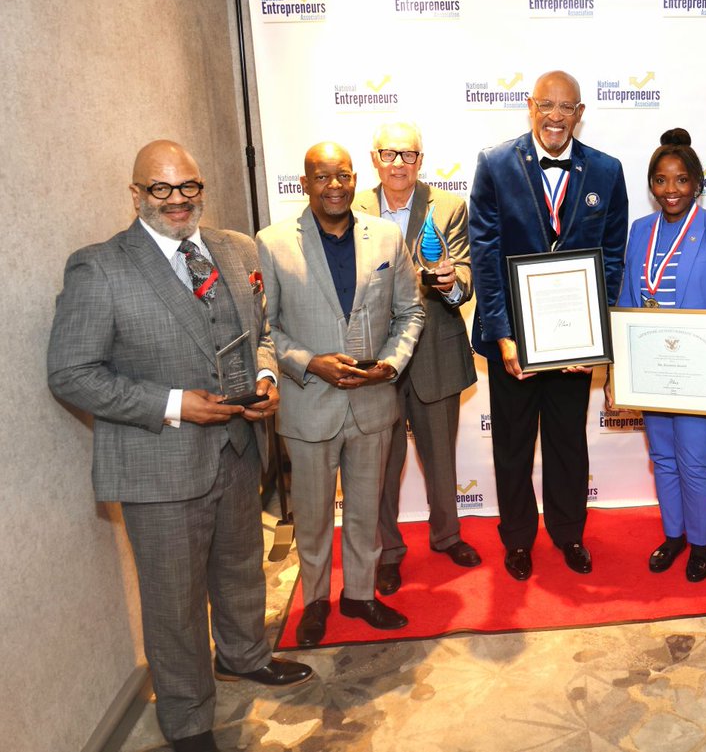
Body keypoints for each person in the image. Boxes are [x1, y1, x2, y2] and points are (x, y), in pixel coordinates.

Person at [48, 140, 311, 752]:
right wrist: (173, 404)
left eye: (188, 186)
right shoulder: (100, 267)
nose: (177, 200)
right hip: (158, 466)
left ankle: (244, 656)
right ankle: (189, 720)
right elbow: (71, 373)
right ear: (136, 193)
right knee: (175, 604)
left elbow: (262, 332)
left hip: (237, 448)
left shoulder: (236, 249)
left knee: (241, 568)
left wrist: (266, 376)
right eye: (161, 188)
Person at [256, 141, 424, 647]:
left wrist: (390, 364)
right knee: (311, 517)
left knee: (366, 511)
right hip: (309, 402)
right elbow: (265, 327)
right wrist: (310, 362)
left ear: (355, 178)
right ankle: (315, 602)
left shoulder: (387, 237)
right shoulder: (273, 242)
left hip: (373, 403)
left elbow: (410, 312)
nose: (334, 186)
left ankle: (360, 594)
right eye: (322, 176)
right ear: (304, 183)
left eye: (343, 176)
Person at [468, 69, 629, 581]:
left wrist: (594, 336)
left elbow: (613, 258)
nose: (556, 116)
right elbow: (485, 255)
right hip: (515, 343)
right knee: (513, 444)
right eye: (546, 105)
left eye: (566, 107)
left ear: (579, 113)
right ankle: (518, 539)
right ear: (530, 106)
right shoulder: (495, 164)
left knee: (567, 442)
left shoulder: (606, 171)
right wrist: (503, 335)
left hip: (573, 342)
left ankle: (569, 533)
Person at [607, 128, 706, 582]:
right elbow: (627, 302)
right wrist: (616, 372)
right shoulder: (640, 231)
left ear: (697, 184)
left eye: (681, 179)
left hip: (701, 376)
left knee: (696, 462)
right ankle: (674, 536)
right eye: (661, 180)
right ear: (651, 185)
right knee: (664, 459)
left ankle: (701, 544)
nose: (671, 189)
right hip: (651, 372)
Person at [351, 120, 481, 595]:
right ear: (375, 159)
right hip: (376, 357)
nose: (398, 163)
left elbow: (464, 274)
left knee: (441, 458)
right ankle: (388, 552)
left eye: (408, 155)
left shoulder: (448, 206)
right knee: (382, 465)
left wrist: (451, 283)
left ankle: (448, 536)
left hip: (434, 351)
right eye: (389, 154)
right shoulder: (354, 208)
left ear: (421, 160)